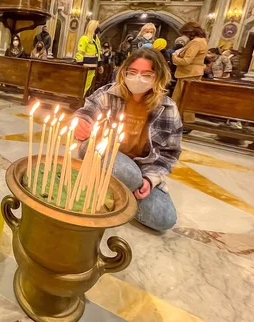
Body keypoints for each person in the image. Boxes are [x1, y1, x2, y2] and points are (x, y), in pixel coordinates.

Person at [73, 48, 180, 231]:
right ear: (124, 72)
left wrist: (149, 180)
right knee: (127, 173)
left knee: (164, 218)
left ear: (158, 77)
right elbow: (87, 111)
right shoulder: (109, 93)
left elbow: (169, 155)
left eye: (147, 74)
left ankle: (115, 191)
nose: (138, 78)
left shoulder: (167, 109)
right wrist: (82, 123)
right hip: (102, 155)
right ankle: (116, 185)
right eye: (133, 72)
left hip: (141, 170)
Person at [171, 22, 208, 124]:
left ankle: (184, 122)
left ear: (190, 32)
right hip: (191, 73)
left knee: (182, 99)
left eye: (185, 34)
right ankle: (182, 121)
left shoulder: (196, 42)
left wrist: (174, 57)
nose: (185, 36)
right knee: (185, 99)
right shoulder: (202, 41)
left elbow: (186, 61)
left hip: (188, 74)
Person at [75, 19, 103, 95]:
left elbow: (98, 53)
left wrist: (100, 65)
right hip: (85, 67)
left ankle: (82, 98)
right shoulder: (84, 39)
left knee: (87, 85)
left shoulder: (96, 40)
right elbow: (80, 53)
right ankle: (79, 99)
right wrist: (80, 66)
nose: (98, 28)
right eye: (97, 26)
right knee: (82, 85)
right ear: (92, 27)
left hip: (93, 67)